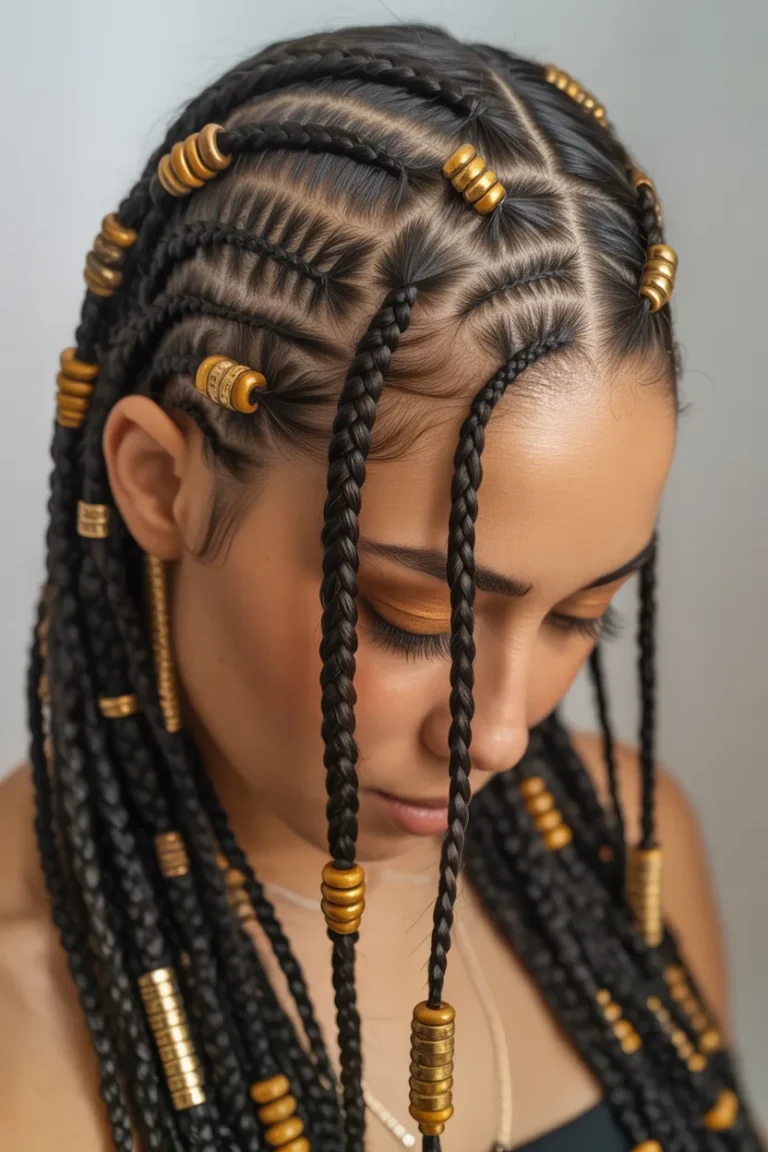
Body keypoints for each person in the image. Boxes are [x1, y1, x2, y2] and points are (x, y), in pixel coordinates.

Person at [0, 21, 761, 1152]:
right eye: (415, 621)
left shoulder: (617, 853)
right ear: (163, 482)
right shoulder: (21, 1026)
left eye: (581, 619)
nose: (497, 735)